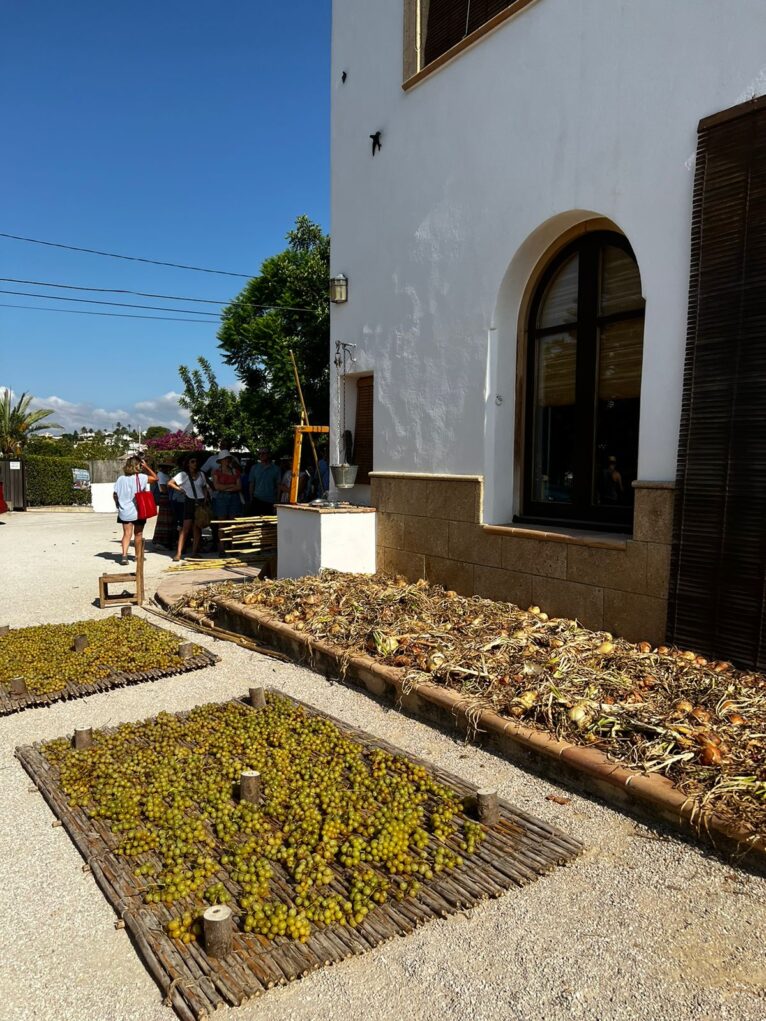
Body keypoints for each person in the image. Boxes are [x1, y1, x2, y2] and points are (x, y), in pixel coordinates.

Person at [113, 456, 158, 565]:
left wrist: (118, 505)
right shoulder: (142, 477)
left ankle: (124, 556)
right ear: (138, 465)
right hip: (139, 511)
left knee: (126, 534)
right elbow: (155, 478)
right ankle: (138, 556)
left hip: (124, 511)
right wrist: (147, 467)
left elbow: (115, 494)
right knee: (138, 534)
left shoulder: (121, 479)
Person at [167, 453, 211, 561]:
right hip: (189, 501)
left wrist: (205, 497)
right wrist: (180, 489)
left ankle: (194, 552)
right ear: (188, 463)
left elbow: (204, 486)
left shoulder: (201, 474)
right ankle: (178, 553)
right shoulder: (183, 474)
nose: (195, 464)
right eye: (192, 461)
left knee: (197, 528)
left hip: (200, 501)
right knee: (185, 528)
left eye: (196, 461)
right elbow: (170, 483)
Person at [211, 452, 242, 549]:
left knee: (233, 523)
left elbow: (239, 487)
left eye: (228, 458)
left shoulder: (235, 471)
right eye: (225, 459)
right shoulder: (216, 472)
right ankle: (222, 547)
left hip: (233, 497)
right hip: (222, 498)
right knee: (222, 523)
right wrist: (231, 486)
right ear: (221, 461)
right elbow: (216, 486)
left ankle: (233, 547)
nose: (227, 460)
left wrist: (224, 487)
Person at [151, 462, 177, 550]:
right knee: (164, 520)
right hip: (165, 497)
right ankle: (160, 541)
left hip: (168, 497)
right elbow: (163, 488)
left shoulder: (166, 475)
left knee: (169, 520)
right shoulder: (161, 475)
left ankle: (167, 541)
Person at [249, 448, 281, 515]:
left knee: (268, 523)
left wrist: (277, 502)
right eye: (259, 454)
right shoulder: (254, 468)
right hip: (257, 499)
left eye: (263, 453)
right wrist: (251, 499)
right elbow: (251, 484)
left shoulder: (276, 469)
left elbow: (278, 486)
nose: (261, 455)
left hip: (270, 501)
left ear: (269, 455)